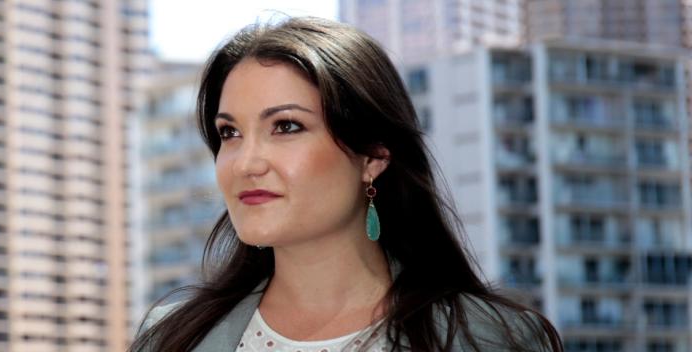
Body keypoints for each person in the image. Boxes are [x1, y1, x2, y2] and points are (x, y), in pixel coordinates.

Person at [131, 16, 563, 352]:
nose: (245, 163)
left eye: (285, 126)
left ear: (373, 157)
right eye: (230, 133)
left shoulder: (492, 339)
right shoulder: (172, 338)